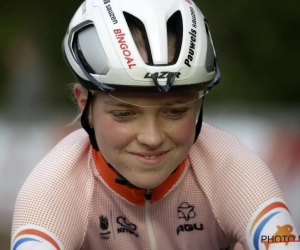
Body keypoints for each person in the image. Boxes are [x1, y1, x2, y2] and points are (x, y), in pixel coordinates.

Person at [11, 0, 299, 249]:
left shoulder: (230, 166)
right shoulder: (53, 188)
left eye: (174, 112)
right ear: (84, 103)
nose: (151, 137)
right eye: (125, 114)